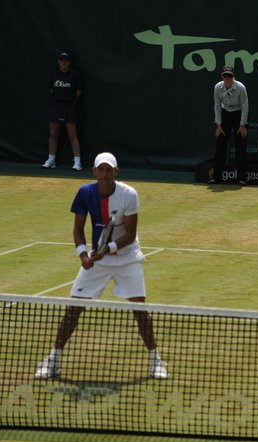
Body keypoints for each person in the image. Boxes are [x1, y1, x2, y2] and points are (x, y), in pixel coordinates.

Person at [35, 152, 168, 380]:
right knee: (73, 310)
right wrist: (83, 255)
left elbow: (130, 233)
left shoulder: (129, 194)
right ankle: (53, 360)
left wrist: (106, 250)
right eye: (101, 170)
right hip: (98, 258)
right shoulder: (85, 193)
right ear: (94, 171)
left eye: (109, 170)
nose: (105, 174)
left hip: (127, 257)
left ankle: (155, 361)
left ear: (116, 172)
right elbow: (78, 230)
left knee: (140, 311)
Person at [43, 51, 83, 171]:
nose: (64, 63)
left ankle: (77, 162)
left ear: (69, 62)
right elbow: (50, 90)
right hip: (55, 106)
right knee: (53, 134)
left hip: (69, 107)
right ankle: (51, 160)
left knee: (72, 135)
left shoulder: (74, 75)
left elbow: (78, 91)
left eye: (66, 61)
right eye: (61, 61)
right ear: (58, 62)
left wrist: (70, 101)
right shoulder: (53, 74)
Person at [210, 65, 250, 185]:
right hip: (225, 115)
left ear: (233, 76)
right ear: (222, 76)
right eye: (225, 75)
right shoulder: (218, 87)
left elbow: (245, 106)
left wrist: (242, 125)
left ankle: (242, 178)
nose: (227, 78)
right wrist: (218, 124)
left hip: (239, 116)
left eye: (230, 75)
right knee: (220, 146)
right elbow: (217, 105)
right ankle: (216, 177)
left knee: (240, 147)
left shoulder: (241, 87)